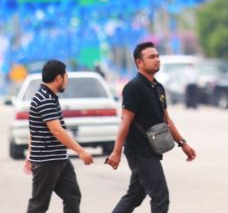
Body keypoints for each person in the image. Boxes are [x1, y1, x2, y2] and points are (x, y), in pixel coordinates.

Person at [106, 42, 197, 213]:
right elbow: (125, 121)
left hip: (151, 149)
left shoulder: (157, 87)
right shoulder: (134, 87)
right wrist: (116, 152)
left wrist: (183, 143)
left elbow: (166, 119)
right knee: (160, 196)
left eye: (157, 56)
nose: (157, 60)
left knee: (135, 195)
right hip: (139, 151)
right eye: (151, 57)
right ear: (139, 62)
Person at [24, 60, 94, 213]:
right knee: (39, 205)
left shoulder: (49, 97)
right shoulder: (44, 99)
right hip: (46, 161)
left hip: (59, 159)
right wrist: (81, 151)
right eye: (66, 76)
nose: (67, 80)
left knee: (72, 196)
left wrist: (30, 154)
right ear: (58, 78)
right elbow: (57, 131)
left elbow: (34, 130)